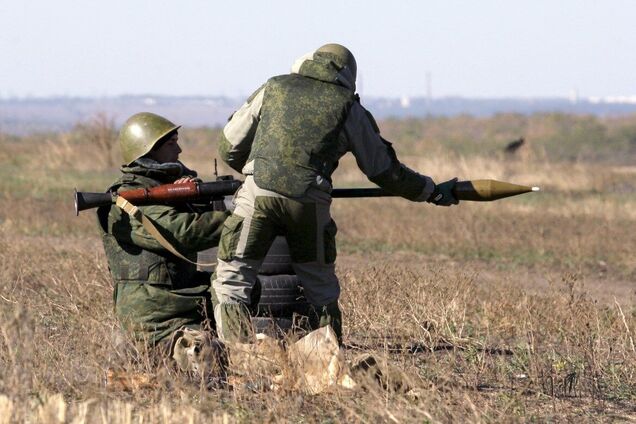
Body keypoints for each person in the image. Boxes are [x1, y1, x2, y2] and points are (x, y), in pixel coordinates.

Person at [211, 43, 459, 344]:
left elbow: (229, 145)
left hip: (256, 195)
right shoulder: (349, 107)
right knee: (320, 286)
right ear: (348, 76)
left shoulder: (274, 87)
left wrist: (256, 173)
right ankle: (327, 362)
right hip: (310, 203)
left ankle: (240, 358)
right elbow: (384, 171)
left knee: (233, 278)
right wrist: (430, 191)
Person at [97, 112, 230, 362]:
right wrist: (243, 219)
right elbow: (183, 232)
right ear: (146, 149)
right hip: (157, 313)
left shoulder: (164, 190)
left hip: (186, 298)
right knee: (207, 356)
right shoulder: (126, 200)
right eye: (171, 143)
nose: (179, 150)